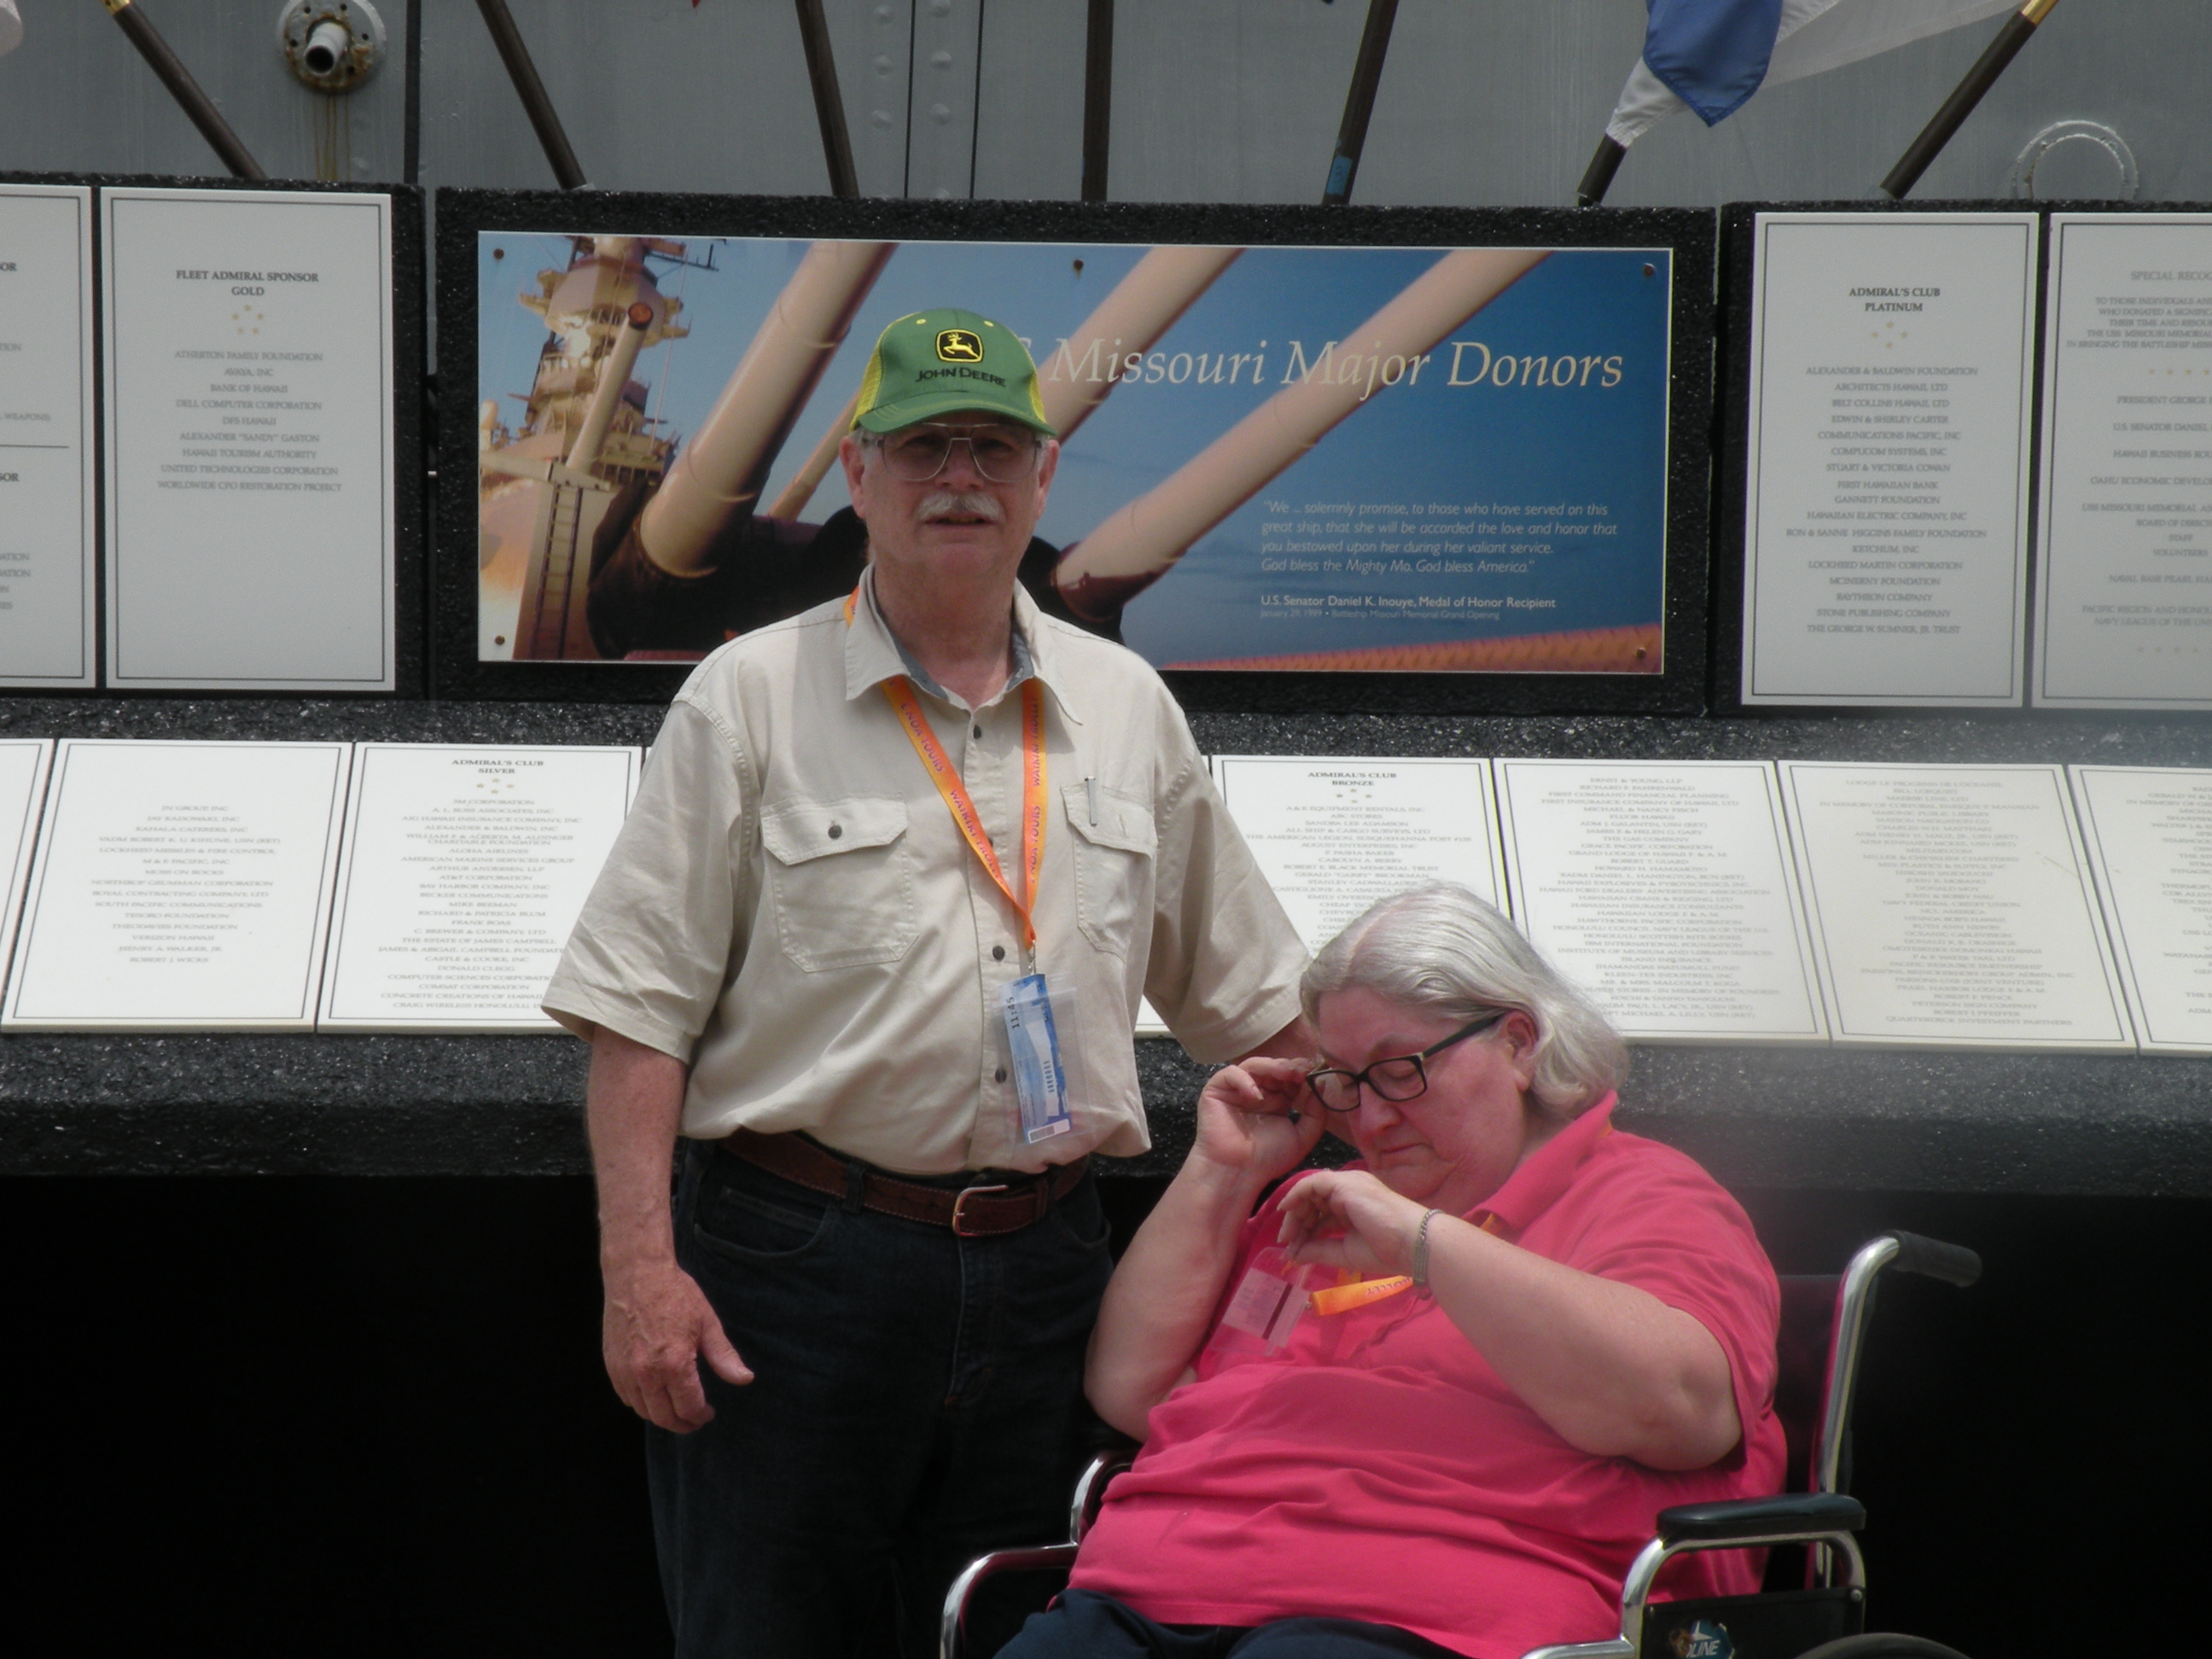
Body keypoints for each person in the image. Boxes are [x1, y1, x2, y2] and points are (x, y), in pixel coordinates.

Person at [542, 306, 1309, 1659]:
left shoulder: (1127, 708)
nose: (961, 478)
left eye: (994, 448)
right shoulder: (745, 697)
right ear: (860, 471)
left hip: (1052, 1275)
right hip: (797, 1276)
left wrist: (1458, 1153)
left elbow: (1254, 1000)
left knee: (1014, 1633)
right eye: (924, 447)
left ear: (1043, 478)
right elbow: (637, 1012)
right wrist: (638, 1272)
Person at [1000, 882, 1786, 1659]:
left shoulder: (1645, 1196)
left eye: (1400, 1069)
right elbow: (1130, 1389)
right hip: (1142, 1594)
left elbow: (1683, 1411)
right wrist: (1224, 1171)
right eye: (1344, 1081)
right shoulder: (1325, 1204)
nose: (1370, 1119)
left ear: (1518, 1043)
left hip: (1427, 1613)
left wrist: (1425, 1244)